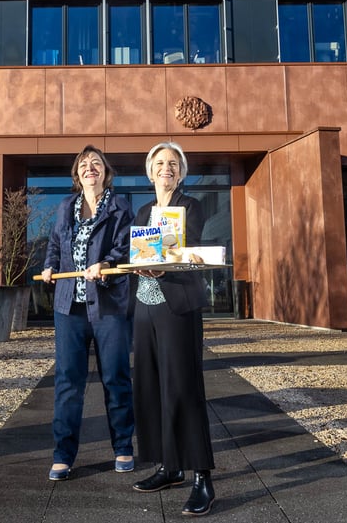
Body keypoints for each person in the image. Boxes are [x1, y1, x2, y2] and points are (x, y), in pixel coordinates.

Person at [130, 141, 216, 517]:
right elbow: (135, 255)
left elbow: (190, 249)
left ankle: (202, 478)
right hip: (145, 309)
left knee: (183, 387)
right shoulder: (143, 211)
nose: (166, 168)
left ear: (181, 172)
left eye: (173, 163)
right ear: (150, 172)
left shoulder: (191, 206)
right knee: (151, 386)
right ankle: (169, 465)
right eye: (160, 163)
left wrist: (165, 263)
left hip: (177, 306)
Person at [41, 145, 135, 481]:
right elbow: (55, 243)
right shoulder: (66, 206)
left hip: (108, 305)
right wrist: (50, 266)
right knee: (68, 382)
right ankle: (63, 454)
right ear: (77, 174)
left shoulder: (120, 207)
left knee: (116, 378)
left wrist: (107, 264)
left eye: (96, 163)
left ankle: (123, 447)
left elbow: (125, 249)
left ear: (105, 172)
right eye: (83, 164)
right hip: (69, 307)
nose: (89, 167)